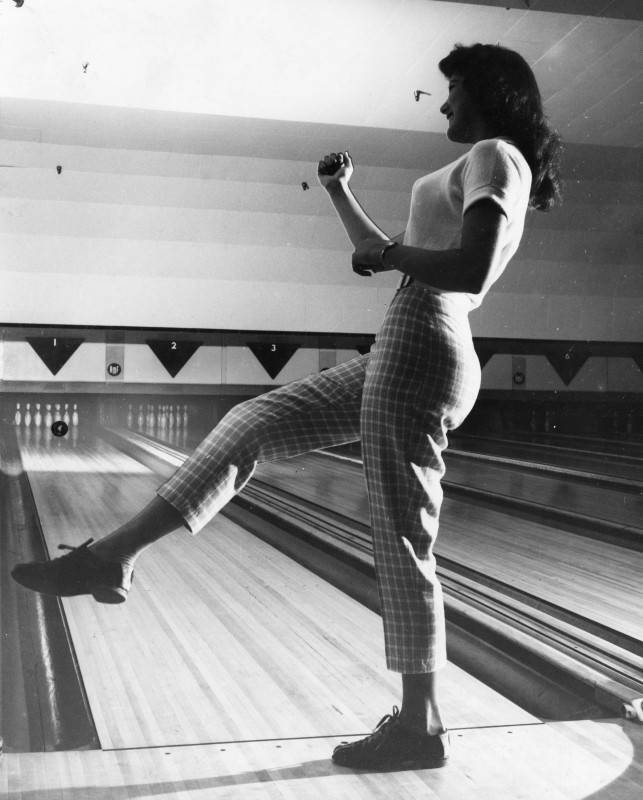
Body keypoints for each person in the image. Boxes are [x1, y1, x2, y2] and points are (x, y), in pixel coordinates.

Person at [12, 43, 562, 771]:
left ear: (490, 92)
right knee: (250, 422)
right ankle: (113, 557)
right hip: (404, 341)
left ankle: (419, 726)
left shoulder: (495, 154)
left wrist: (394, 255)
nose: (443, 104)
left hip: (424, 341)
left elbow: (470, 266)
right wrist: (339, 190)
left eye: (453, 88)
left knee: (401, 539)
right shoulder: (482, 160)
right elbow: (379, 251)